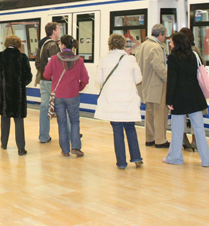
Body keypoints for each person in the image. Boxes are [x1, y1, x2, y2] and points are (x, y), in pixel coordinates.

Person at [162, 32, 209, 167]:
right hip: (195, 96)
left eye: (172, 41)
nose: (170, 43)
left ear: (176, 43)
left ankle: (175, 157)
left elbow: (172, 80)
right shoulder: (194, 55)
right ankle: (206, 159)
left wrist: (169, 100)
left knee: (177, 128)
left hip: (179, 97)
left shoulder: (173, 58)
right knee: (199, 128)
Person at [95, 34, 144, 169]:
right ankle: (137, 158)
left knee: (117, 131)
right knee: (130, 128)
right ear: (123, 45)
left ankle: (121, 163)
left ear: (110, 44)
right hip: (128, 99)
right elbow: (138, 79)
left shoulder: (104, 60)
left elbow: (99, 81)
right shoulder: (130, 59)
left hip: (112, 100)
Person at [43, 35, 89, 157]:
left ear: (62, 45)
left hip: (58, 95)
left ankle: (65, 150)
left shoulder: (54, 59)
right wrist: (78, 88)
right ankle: (76, 147)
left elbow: (46, 75)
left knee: (62, 122)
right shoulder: (79, 60)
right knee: (74, 121)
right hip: (73, 95)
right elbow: (85, 79)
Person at [0, 35, 33, 155]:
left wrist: (1, 81)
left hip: (4, 94)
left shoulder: (1, 56)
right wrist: (20, 84)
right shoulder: (22, 57)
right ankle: (21, 148)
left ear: (6, 44)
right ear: (18, 44)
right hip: (18, 94)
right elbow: (28, 77)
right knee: (19, 121)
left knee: (5, 118)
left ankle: (4, 143)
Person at [136, 24, 169, 148]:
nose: (165, 38)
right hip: (157, 85)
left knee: (149, 112)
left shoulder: (143, 45)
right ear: (160, 34)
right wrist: (168, 79)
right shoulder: (156, 47)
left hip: (145, 85)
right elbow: (159, 67)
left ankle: (150, 138)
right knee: (160, 112)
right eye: (164, 35)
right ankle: (160, 140)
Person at [35, 22, 61, 143]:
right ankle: (71, 133)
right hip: (52, 81)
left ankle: (44, 136)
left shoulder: (41, 44)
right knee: (62, 106)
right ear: (54, 31)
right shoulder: (52, 45)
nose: (60, 31)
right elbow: (54, 65)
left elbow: (37, 63)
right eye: (58, 29)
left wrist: (43, 73)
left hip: (43, 80)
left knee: (44, 107)